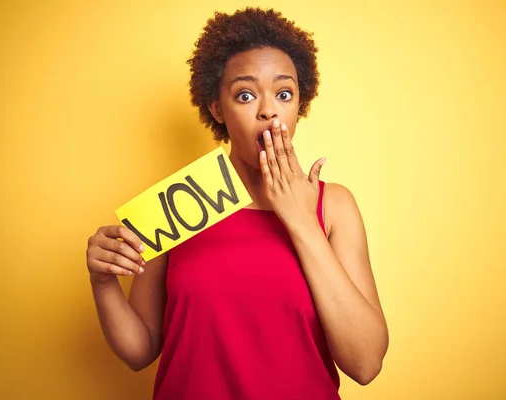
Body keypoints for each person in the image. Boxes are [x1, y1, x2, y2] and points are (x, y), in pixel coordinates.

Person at [86, 7, 389, 400]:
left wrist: (301, 221)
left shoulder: (333, 207)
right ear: (217, 110)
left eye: (284, 93)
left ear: (300, 104)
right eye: (245, 95)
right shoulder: (177, 205)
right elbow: (140, 350)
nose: (268, 110)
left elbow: (365, 364)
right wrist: (104, 282)